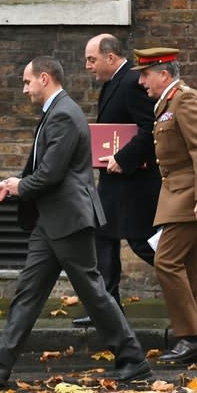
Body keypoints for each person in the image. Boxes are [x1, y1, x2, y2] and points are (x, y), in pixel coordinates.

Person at [0, 56, 152, 385]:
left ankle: (132, 357)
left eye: (27, 82)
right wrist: (11, 185)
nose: (24, 89)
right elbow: (41, 169)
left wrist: (17, 187)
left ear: (45, 78)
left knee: (93, 292)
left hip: (68, 218)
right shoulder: (56, 113)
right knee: (29, 291)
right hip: (51, 218)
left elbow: (50, 174)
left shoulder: (63, 114)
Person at [133, 47, 197, 363]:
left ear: (163, 74)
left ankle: (190, 336)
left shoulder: (185, 100)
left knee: (166, 262)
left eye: (145, 75)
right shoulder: (169, 103)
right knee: (194, 268)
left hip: (188, 197)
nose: (142, 82)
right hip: (180, 195)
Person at [72, 34, 161, 327]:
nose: (88, 66)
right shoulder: (115, 82)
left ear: (111, 58)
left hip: (133, 183)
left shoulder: (131, 83)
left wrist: (123, 159)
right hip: (114, 182)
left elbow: (149, 130)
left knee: (143, 243)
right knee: (103, 238)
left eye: (92, 59)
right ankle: (107, 310)